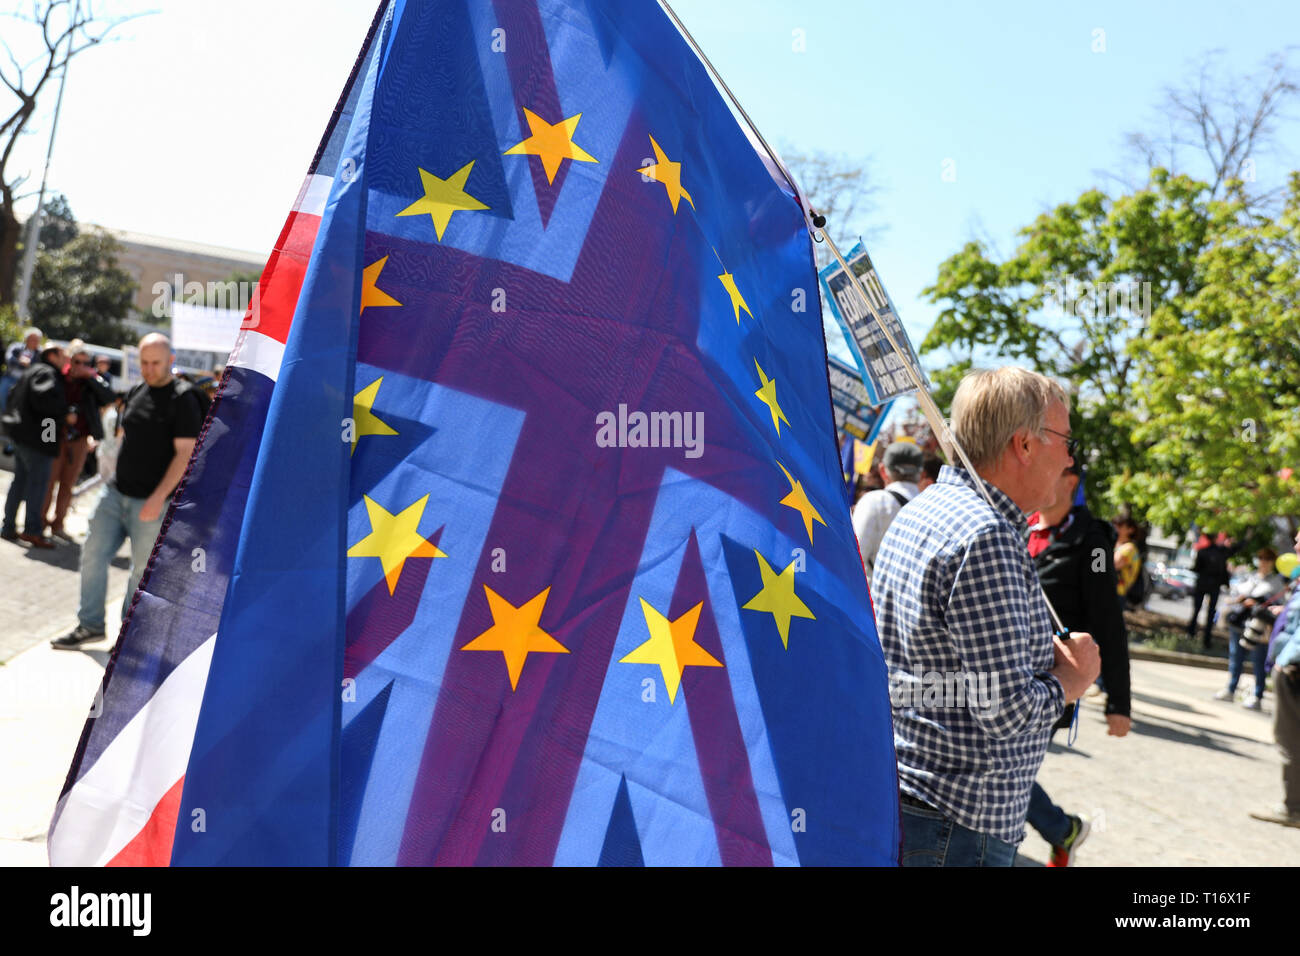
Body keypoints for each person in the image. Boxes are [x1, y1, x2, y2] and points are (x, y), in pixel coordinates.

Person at [873, 366, 1100, 867]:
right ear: (1023, 445)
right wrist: (1070, 678)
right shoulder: (985, 536)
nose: (1069, 458)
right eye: (1065, 440)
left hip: (920, 804)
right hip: (958, 823)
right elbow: (1005, 711)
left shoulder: (927, 508)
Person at [53, 334, 204, 649]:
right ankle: (90, 624)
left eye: (155, 363)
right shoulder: (137, 390)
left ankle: (127, 638)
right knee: (93, 554)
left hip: (152, 502)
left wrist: (159, 496)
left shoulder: (182, 398)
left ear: (171, 361)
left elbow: (185, 453)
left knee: (140, 572)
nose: (149, 369)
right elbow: (127, 438)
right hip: (116, 492)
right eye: (144, 363)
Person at [1024, 462, 1131, 866]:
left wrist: (1119, 701)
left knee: (1006, 769)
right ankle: (1063, 829)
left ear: (1070, 482)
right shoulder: (1020, 526)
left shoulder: (1094, 543)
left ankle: (1062, 830)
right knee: (1003, 769)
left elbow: (1108, 620)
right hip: (1010, 671)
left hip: (1055, 682)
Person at [1249, 527, 1300, 829]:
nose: (1294, 541)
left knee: (1290, 741)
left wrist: (1289, 663)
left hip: (1294, 670)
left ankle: (1293, 808)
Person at [40, 341, 113, 540]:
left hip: (79, 439)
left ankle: (58, 524)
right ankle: (39, 523)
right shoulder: (58, 376)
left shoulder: (91, 381)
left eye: (85, 362)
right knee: (48, 481)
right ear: (69, 360)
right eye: (77, 361)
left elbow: (108, 398)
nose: (80, 365)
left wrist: (91, 377)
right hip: (55, 437)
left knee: (68, 483)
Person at [1, 342, 71, 548]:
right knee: (38, 485)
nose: (66, 358)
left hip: (22, 436)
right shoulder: (48, 374)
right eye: (63, 354)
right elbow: (47, 408)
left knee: (20, 481)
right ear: (53, 356)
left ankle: (8, 527)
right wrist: (64, 415)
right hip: (38, 440)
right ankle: (32, 531)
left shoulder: (32, 370)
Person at [1216, 548, 1287, 710]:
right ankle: (1231, 689)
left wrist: (1258, 604)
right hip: (1240, 622)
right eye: (1261, 558)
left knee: (1259, 661)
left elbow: (1280, 606)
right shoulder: (1249, 576)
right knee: (1236, 657)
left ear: (1273, 562)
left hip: (1258, 627)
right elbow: (1233, 595)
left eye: (1267, 559)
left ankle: (1257, 695)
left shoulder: (1276, 582)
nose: (1264, 561)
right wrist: (1240, 600)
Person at [852, 440, 923, 582]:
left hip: (875, 598)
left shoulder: (874, 501)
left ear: (883, 470)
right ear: (920, 472)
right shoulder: (933, 505)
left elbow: (855, 558)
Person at [1188, 531, 1235, 649]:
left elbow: (1196, 568)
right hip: (1214, 585)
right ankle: (1206, 639)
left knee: (1197, 610)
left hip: (1203, 584)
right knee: (1210, 612)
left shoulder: (1203, 551)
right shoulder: (1221, 552)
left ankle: (1191, 633)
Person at [0, 327, 42, 413]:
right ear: (26, 339)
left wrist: (28, 364)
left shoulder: (40, 353)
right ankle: (4, 414)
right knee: (2, 393)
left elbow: (39, 367)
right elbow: (8, 359)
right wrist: (21, 361)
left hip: (27, 381)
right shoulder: (16, 347)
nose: (34, 342)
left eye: (36, 340)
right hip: (10, 377)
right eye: (32, 339)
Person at [1114, 518, 1142, 612]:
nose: (1116, 528)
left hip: (1115, 593)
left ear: (1131, 529)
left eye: (1120, 526)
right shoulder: (1123, 547)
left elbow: (1108, 566)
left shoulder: (1128, 549)